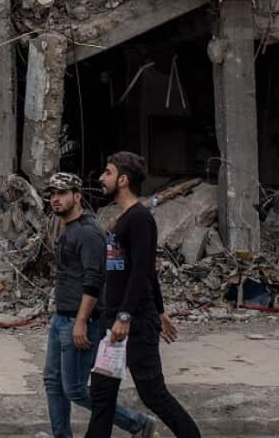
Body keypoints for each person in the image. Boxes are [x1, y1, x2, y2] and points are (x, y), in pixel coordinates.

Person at [87, 153, 201, 438]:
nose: (101, 178)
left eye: (107, 172)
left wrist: (127, 316)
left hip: (133, 322)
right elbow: (147, 272)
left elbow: (141, 272)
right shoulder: (124, 219)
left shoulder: (139, 219)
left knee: (153, 393)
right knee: (102, 395)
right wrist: (161, 311)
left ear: (123, 180)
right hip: (114, 318)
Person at [42, 172, 155, 438]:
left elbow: (95, 279)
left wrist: (81, 321)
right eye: (53, 194)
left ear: (77, 196)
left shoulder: (88, 233)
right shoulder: (69, 228)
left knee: (76, 389)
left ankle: (138, 423)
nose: (55, 199)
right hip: (61, 318)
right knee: (53, 383)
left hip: (80, 320)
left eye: (62, 193)